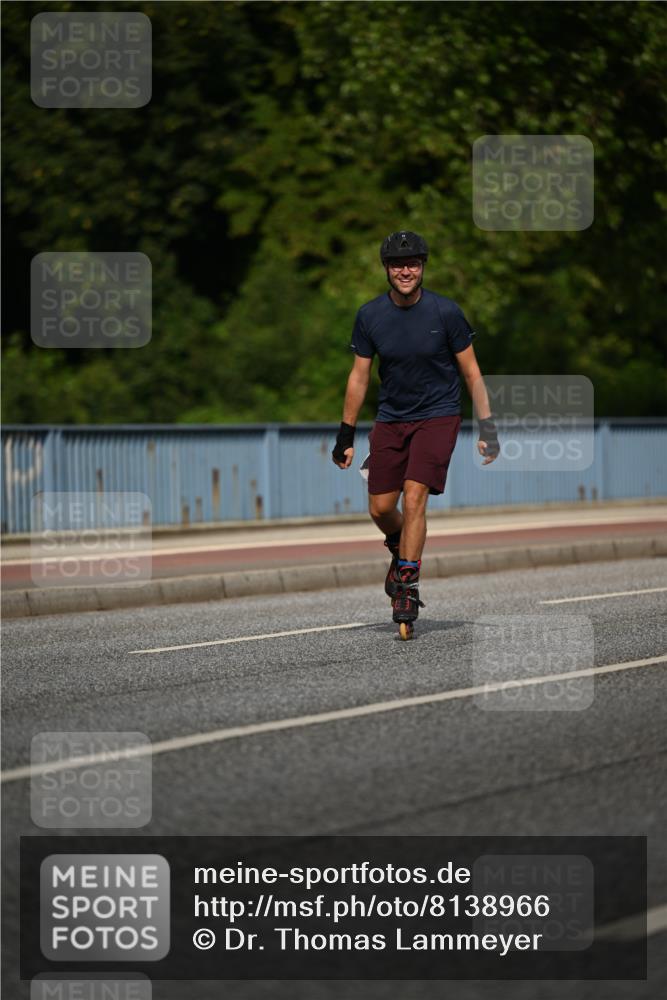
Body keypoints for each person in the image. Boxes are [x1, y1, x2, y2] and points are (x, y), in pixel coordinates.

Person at [332, 230, 499, 636]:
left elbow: (472, 372)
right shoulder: (370, 316)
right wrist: (345, 434)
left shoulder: (446, 313)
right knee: (380, 508)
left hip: (438, 416)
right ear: (386, 269)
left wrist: (487, 426)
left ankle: (407, 584)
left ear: (423, 267)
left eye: (412, 264)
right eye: (397, 265)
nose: (405, 271)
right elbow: (359, 378)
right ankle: (399, 547)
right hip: (392, 419)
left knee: (414, 495)